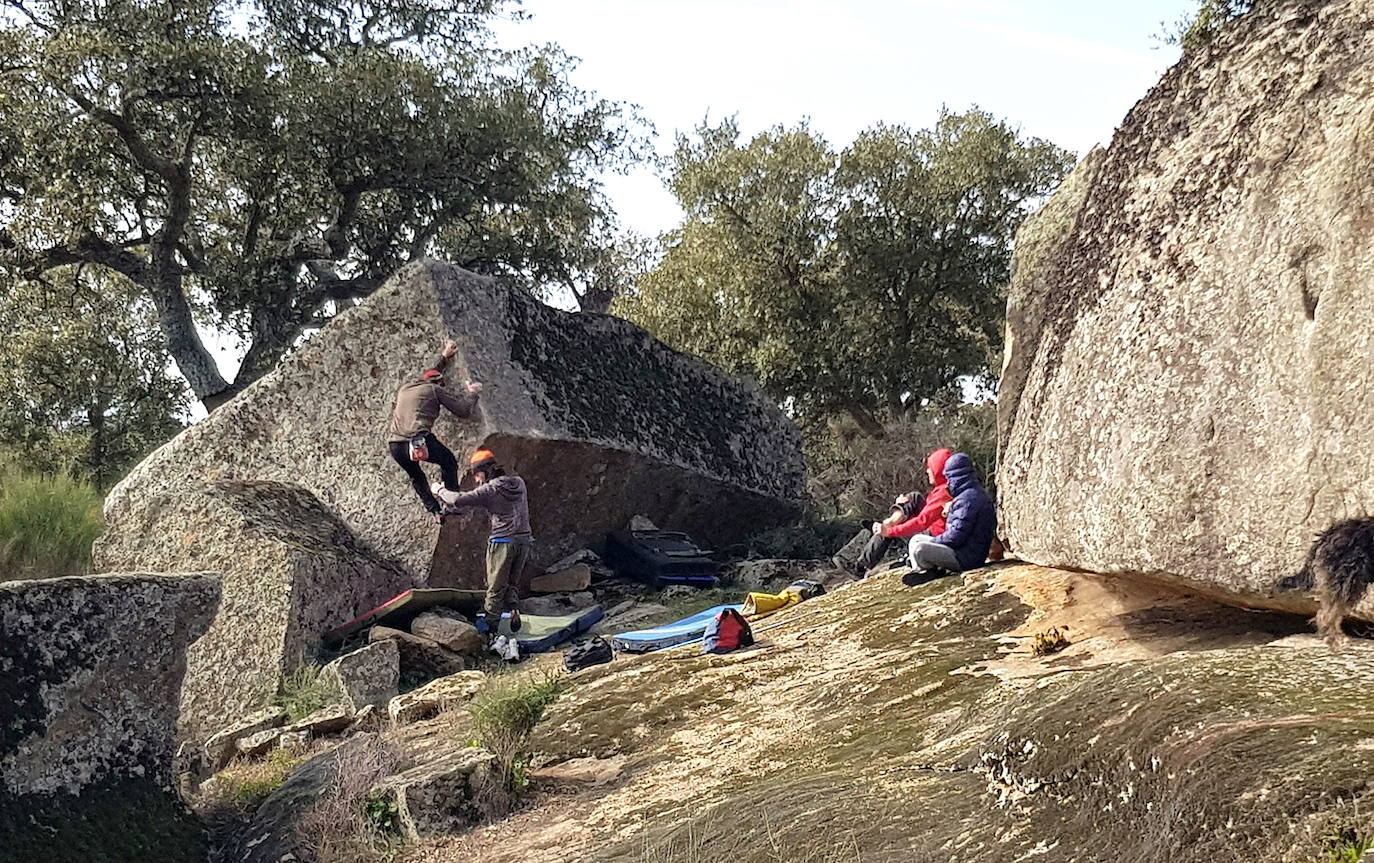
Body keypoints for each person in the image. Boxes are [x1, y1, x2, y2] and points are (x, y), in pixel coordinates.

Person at [433, 448, 532, 636]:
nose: (477, 480)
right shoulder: (519, 483)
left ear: (484, 472)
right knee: (512, 581)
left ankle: (490, 629)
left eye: (477, 475)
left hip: (502, 541)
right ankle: (513, 610)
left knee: (495, 586)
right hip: (524, 540)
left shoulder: (490, 490)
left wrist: (438, 490)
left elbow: (457, 499)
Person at [386, 340, 483, 523]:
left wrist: (444, 357)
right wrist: (472, 393)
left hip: (396, 446)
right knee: (448, 462)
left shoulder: (407, 387)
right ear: (439, 383)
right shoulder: (435, 389)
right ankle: (452, 500)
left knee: (416, 476)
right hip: (418, 442)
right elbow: (462, 411)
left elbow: (430, 373)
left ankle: (435, 511)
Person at [843, 448, 954, 577]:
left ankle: (860, 567)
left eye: (931, 467)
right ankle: (889, 522)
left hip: (933, 536)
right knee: (914, 497)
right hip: (933, 528)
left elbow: (922, 522)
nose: (927, 471)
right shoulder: (945, 487)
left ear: (938, 469)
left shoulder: (944, 493)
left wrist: (890, 531)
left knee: (890, 527)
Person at [906, 452, 996, 576]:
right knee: (916, 540)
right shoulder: (968, 495)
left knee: (920, 549)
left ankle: (929, 572)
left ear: (956, 477)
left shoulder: (968, 499)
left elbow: (955, 538)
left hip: (966, 557)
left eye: (948, 478)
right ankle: (920, 571)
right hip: (962, 550)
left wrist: (934, 542)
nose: (947, 482)